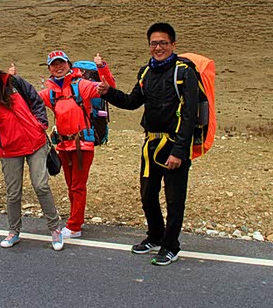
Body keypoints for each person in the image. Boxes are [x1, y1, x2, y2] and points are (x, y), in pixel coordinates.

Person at [98, 23, 198, 266]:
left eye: (163, 43)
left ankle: (171, 246)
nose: (158, 47)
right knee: (148, 194)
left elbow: (190, 116)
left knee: (174, 199)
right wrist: (108, 92)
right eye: (154, 43)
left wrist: (179, 152)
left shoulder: (185, 73)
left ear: (173, 45)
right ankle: (155, 236)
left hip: (174, 145)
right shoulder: (146, 73)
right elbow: (132, 102)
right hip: (151, 143)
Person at [0, 57, 63, 251]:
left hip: (35, 142)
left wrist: (40, 124)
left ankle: (55, 229)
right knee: (13, 192)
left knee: (41, 186)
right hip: (9, 149)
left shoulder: (13, 82)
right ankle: (13, 231)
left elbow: (35, 100)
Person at [37, 51, 115, 239]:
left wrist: (102, 67)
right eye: (54, 64)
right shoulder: (51, 92)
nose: (58, 67)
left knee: (78, 186)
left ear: (68, 64)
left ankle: (74, 226)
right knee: (71, 185)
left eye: (61, 63)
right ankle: (75, 220)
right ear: (49, 68)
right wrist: (13, 81)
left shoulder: (81, 85)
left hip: (82, 145)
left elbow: (108, 88)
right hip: (63, 145)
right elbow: (29, 99)